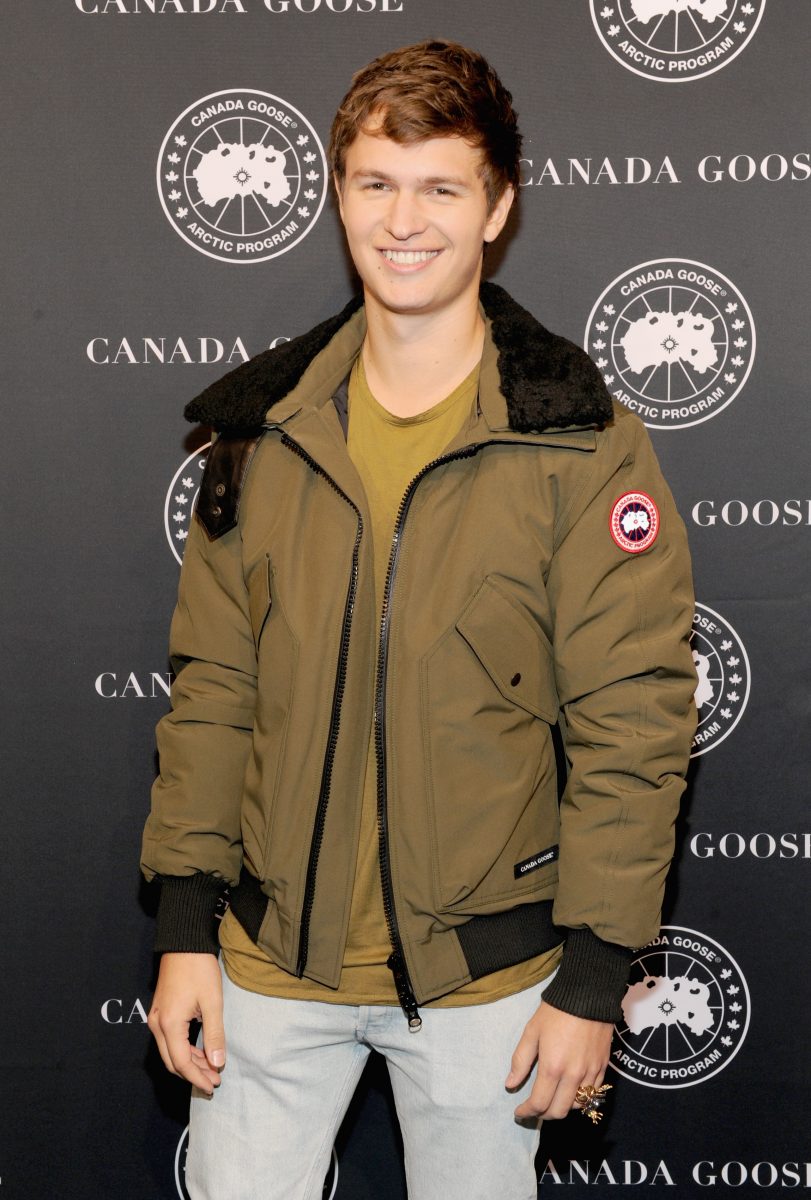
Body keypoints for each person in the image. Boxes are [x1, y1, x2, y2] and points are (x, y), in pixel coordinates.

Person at [142, 39, 697, 1200]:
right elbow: (214, 695)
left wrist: (593, 979)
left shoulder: (579, 440)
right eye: (375, 183)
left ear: (497, 206)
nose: (405, 219)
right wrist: (186, 927)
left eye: (441, 186)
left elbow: (631, 726)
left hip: (486, 984)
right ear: (338, 193)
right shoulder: (260, 431)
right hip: (267, 968)